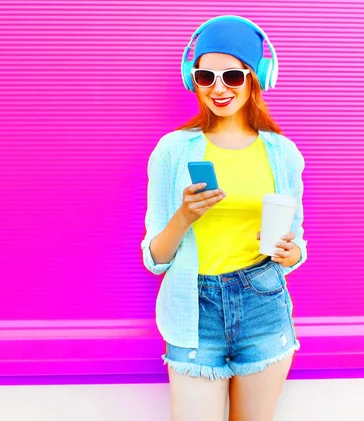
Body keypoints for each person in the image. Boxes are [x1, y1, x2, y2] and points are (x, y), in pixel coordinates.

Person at [141, 15, 307, 421]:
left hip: (263, 302)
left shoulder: (282, 153)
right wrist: (184, 216)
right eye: (206, 76)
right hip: (193, 308)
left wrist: (291, 252)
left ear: (256, 77)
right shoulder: (173, 151)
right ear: (191, 78)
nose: (218, 88)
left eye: (232, 75)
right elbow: (154, 258)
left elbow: (297, 242)